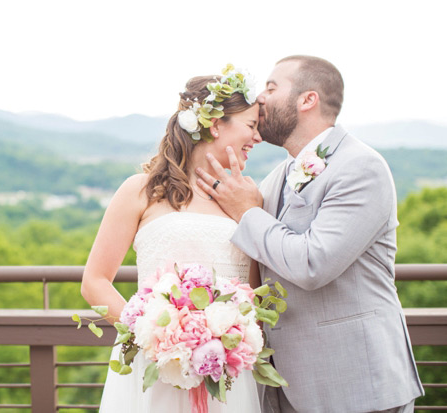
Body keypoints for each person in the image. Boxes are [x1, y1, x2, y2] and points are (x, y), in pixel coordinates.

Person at [195, 55, 424, 412]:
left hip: (356, 384)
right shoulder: (278, 176)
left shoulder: (361, 168)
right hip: (287, 386)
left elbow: (313, 264)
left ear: (307, 100)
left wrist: (246, 212)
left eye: (271, 88)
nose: (260, 99)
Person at [81, 66, 263, 412]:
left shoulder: (248, 199)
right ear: (215, 124)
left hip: (225, 375)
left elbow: (253, 293)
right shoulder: (140, 190)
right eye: (251, 126)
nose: (257, 138)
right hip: (153, 369)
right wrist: (154, 338)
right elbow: (94, 281)